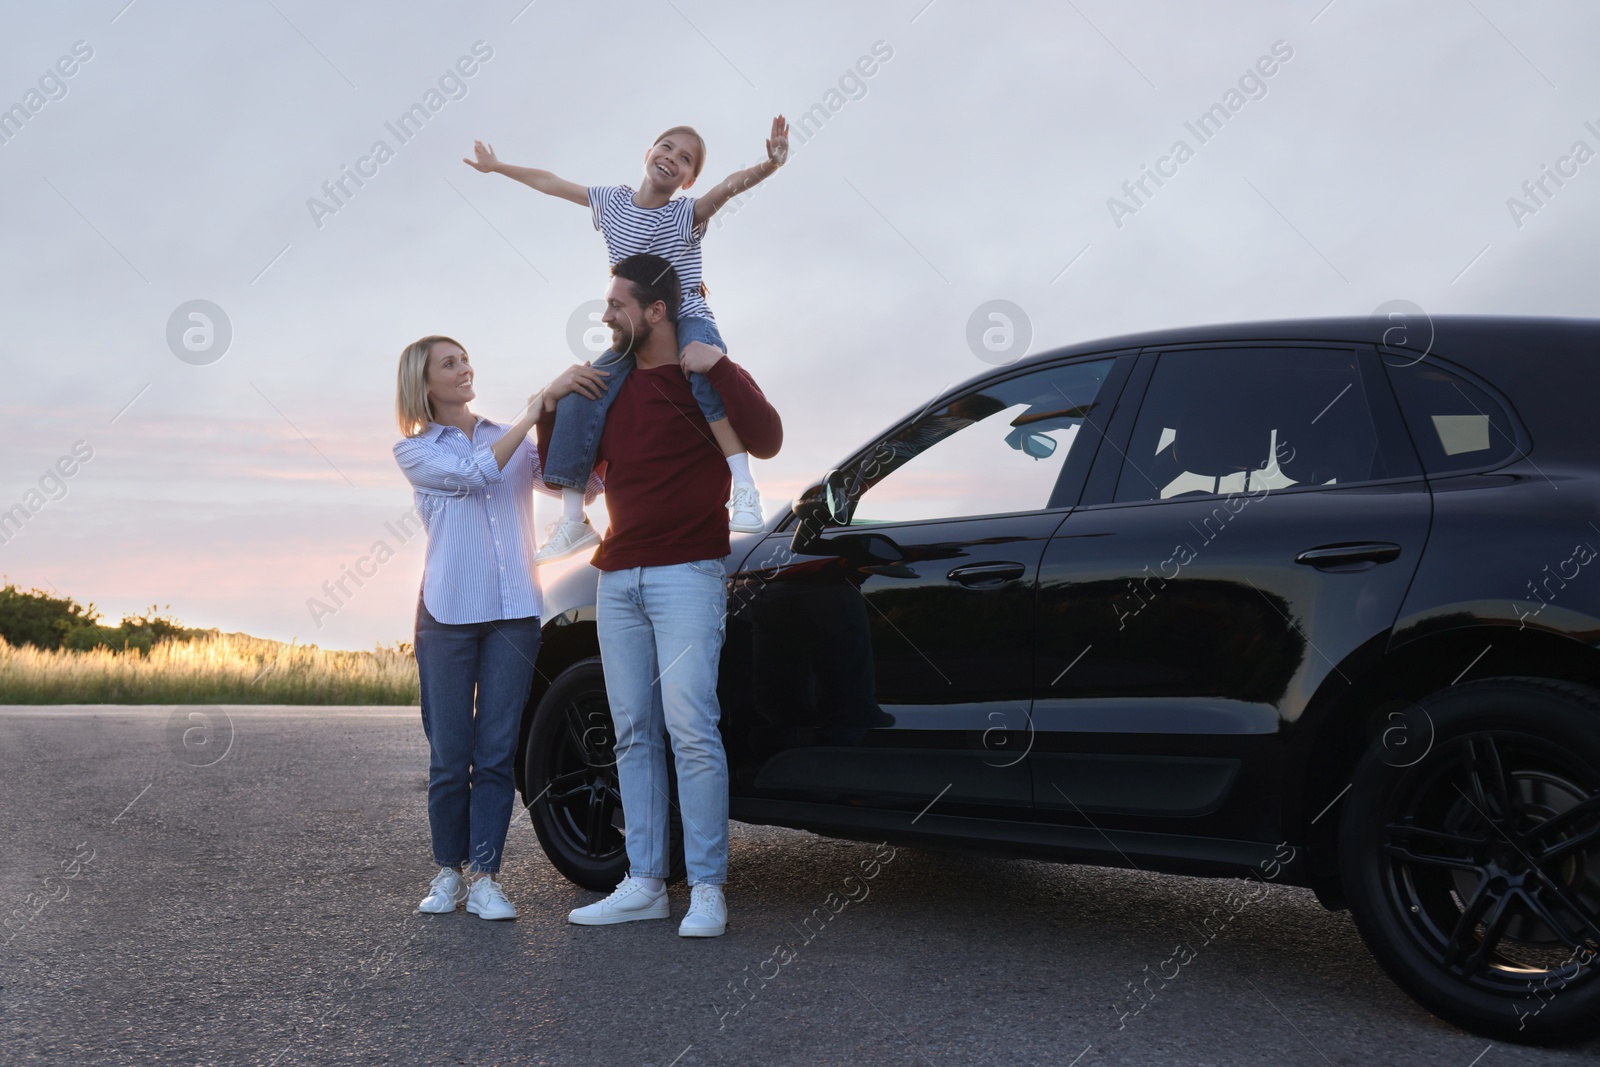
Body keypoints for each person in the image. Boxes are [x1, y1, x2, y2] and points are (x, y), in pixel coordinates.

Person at [536, 255, 781, 937]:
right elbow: (576, 478)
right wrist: (552, 403)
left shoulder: (703, 374)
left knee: (691, 727)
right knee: (634, 732)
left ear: (656, 310)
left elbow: (767, 437)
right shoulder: (608, 386)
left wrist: (723, 369)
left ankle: (707, 887)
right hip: (618, 576)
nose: (606, 314)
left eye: (617, 303)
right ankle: (644, 880)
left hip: (688, 573)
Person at [464, 117, 789, 557]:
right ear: (648, 152)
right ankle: (575, 521)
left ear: (689, 178)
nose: (672, 159)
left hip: (687, 314)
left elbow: (727, 188)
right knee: (582, 388)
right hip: (636, 327)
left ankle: (745, 490)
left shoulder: (684, 214)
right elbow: (553, 183)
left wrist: (768, 166)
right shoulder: (613, 203)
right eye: (667, 148)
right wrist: (499, 167)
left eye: (685, 159)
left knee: (702, 375)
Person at [392, 335, 599, 920]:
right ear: (424, 383)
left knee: (496, 753)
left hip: (514, 613)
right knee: (449, 752)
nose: (464, 369)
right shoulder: (414, 451)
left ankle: (484, 875)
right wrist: (534, 410)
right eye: (449, 364)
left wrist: (566, 418)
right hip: (448, 616)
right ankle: (447, 873)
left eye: (465, 360)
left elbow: (574, 482)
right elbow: (476, 476)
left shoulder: (508, 436)